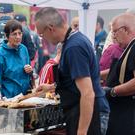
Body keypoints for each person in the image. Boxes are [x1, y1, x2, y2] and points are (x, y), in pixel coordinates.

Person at [35, 7, 109, 135]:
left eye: (41, 34)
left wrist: (82, 131)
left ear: (51, 27)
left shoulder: (74, 47)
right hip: (79, 110)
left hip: (85, 113)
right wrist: (51, 87)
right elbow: (75, 80)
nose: (43, 39)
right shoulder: (74, 40)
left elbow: (87, 93)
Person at [104, 13, 135, 135]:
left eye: (115, 32)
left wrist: (112, 91)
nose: (113, 37)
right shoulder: (129, 47)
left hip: (127, 116)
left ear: (125, 30)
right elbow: (121, 71)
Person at [0, 20, 32, 98]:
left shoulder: (23, 49)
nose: (18, 37)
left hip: (24, 97)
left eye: (20, 33)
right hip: (8, 99)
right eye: (14, 34)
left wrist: (29, 71)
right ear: (6, 36)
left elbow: (29, 73)